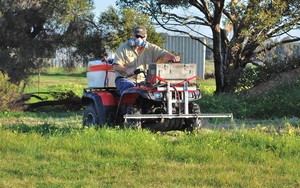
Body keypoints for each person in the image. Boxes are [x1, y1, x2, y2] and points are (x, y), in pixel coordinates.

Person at [112, 26, 180, 94]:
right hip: (125, 79)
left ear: (146, 37)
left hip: (144, 81)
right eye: (137, 36)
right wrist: (126, 70)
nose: (139, 39)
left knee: (162, 91)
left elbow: (162, 53)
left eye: (142, 37)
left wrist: (172, 57)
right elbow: (115, 66)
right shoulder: (124, 48)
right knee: (131, 89)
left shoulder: (151, 48)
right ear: (133, 36)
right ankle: (128, 104)